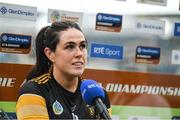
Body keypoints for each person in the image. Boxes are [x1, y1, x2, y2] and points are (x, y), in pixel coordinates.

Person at [16, 21, 111, 119]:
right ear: (50, 54)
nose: (79, 53)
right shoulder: (33, 91)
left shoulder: (98, 93)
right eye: (70, 47)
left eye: (82, 46)